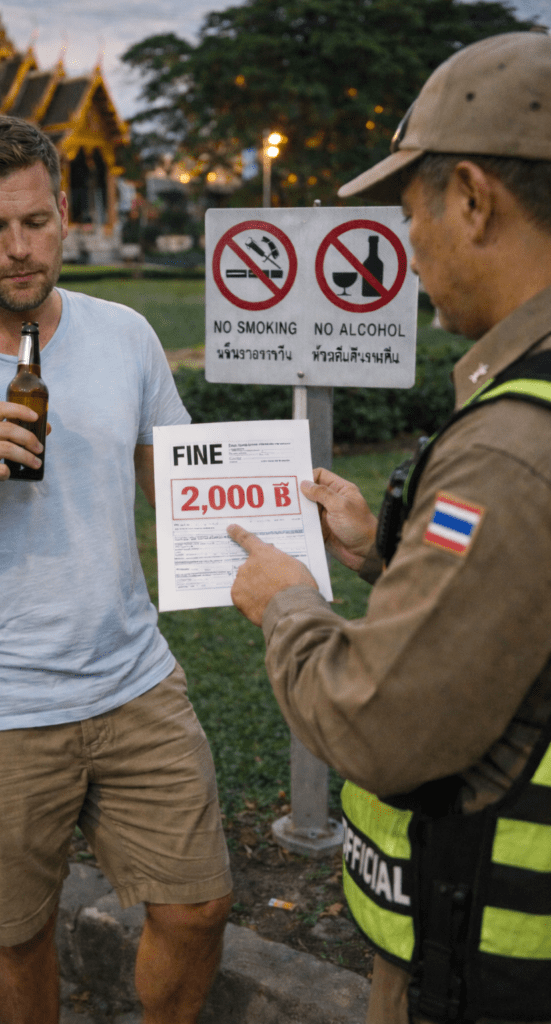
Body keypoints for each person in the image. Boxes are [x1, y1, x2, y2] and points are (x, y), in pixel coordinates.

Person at [0, 115, 232, 1024]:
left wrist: (290, 510)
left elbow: (180, 485)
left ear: (65, 211)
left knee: (197, 906)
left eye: (35, 221)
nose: (20, 248)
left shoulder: (124, 334)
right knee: (17, 932)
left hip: (133, 678)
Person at [229, 30, 551, 1024]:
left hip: (490, 964)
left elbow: (377, 722)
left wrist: (286, 604)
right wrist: (380, 553)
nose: (403, 248)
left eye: (410, 214)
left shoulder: (509, 447)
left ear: (472, 199)